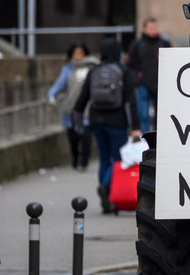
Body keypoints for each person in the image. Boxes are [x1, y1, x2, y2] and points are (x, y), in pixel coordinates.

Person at [74, 37, 141, 214]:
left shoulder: (93, 71)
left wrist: (78, 124)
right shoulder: (123, 71)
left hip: (96, 121)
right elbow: (130, 101)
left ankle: (106, 194)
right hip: (117, 121)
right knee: (117, 159)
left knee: (104, 159)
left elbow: (81, 100)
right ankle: (106, 188)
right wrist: (135, 126)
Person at [46, 43, 99, 171]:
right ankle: (75, 159)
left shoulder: (93, 68)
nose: (78, 56)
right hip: (71, 109)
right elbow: (59, 84)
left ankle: (84, 162)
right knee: (73, 138)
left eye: (80, 53)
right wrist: (51, 95)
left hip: (87, 110)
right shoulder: (68, 69)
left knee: (86, 138)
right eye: (75, 53)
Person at [126, 17, 171, 133]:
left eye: (154, 27)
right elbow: (131, 64)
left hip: (160, 84)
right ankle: (145, 141)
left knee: (160, 115)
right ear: (144, 29)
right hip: (143, 84)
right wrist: (137, 79)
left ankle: (158, 139)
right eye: (150, 28)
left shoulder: (164, 43)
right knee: (143, 114)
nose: (153, 30)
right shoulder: (137, 45)